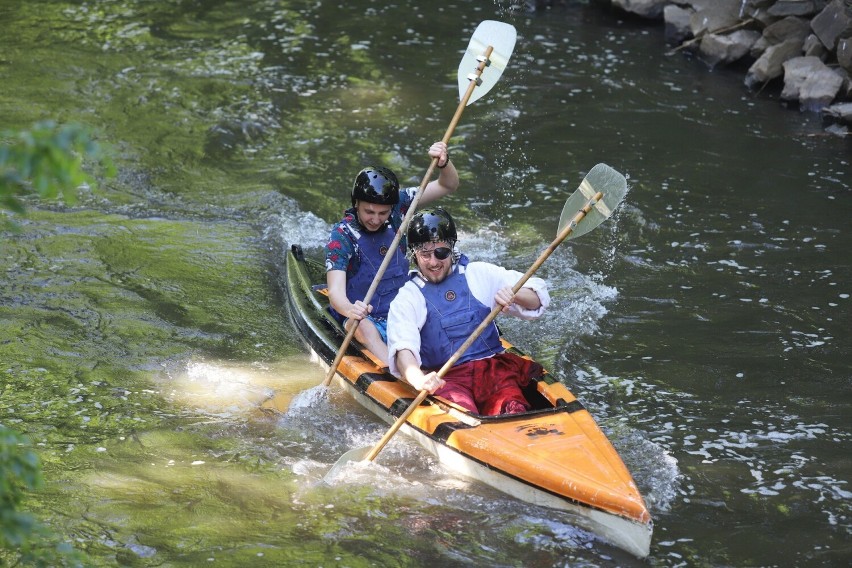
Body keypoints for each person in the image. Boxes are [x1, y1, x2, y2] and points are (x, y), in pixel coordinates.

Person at [386, 208, 550, 416]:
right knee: (464, 412)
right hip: (446, 379)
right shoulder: (408, 297)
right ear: (414, 255)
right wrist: (418, 378)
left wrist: (515, 295)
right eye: (425, 254)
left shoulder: (478, 273)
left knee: (512, 407)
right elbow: (403, 349)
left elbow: (537, 298)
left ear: (452, 247)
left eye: (441, 252)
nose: (434, 262)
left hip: (493, 371)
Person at [325, 142, 458, 363]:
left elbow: (448, 184)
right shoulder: (341, 236)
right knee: (364, 327)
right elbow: (336, 293)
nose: (376, 219)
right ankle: (396, 371)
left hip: (401, 309)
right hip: (362, 316)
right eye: (369, 211)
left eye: (382, 213)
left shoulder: (400, 205)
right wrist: (351, 309)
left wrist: (444, 163)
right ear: (356, 203)